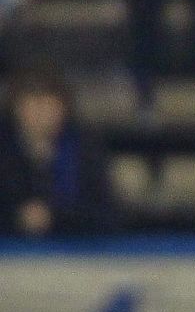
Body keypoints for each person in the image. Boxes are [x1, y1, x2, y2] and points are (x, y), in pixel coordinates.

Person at [0, 68, 113, 237]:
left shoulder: (83, 148)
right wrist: (17, 217)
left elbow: (105, 213)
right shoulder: (5, 149)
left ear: (63, 109)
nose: (41, 115)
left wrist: (54, 217)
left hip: (73, 253)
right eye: (33, 105)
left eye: (49, 105)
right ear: (16, 108)